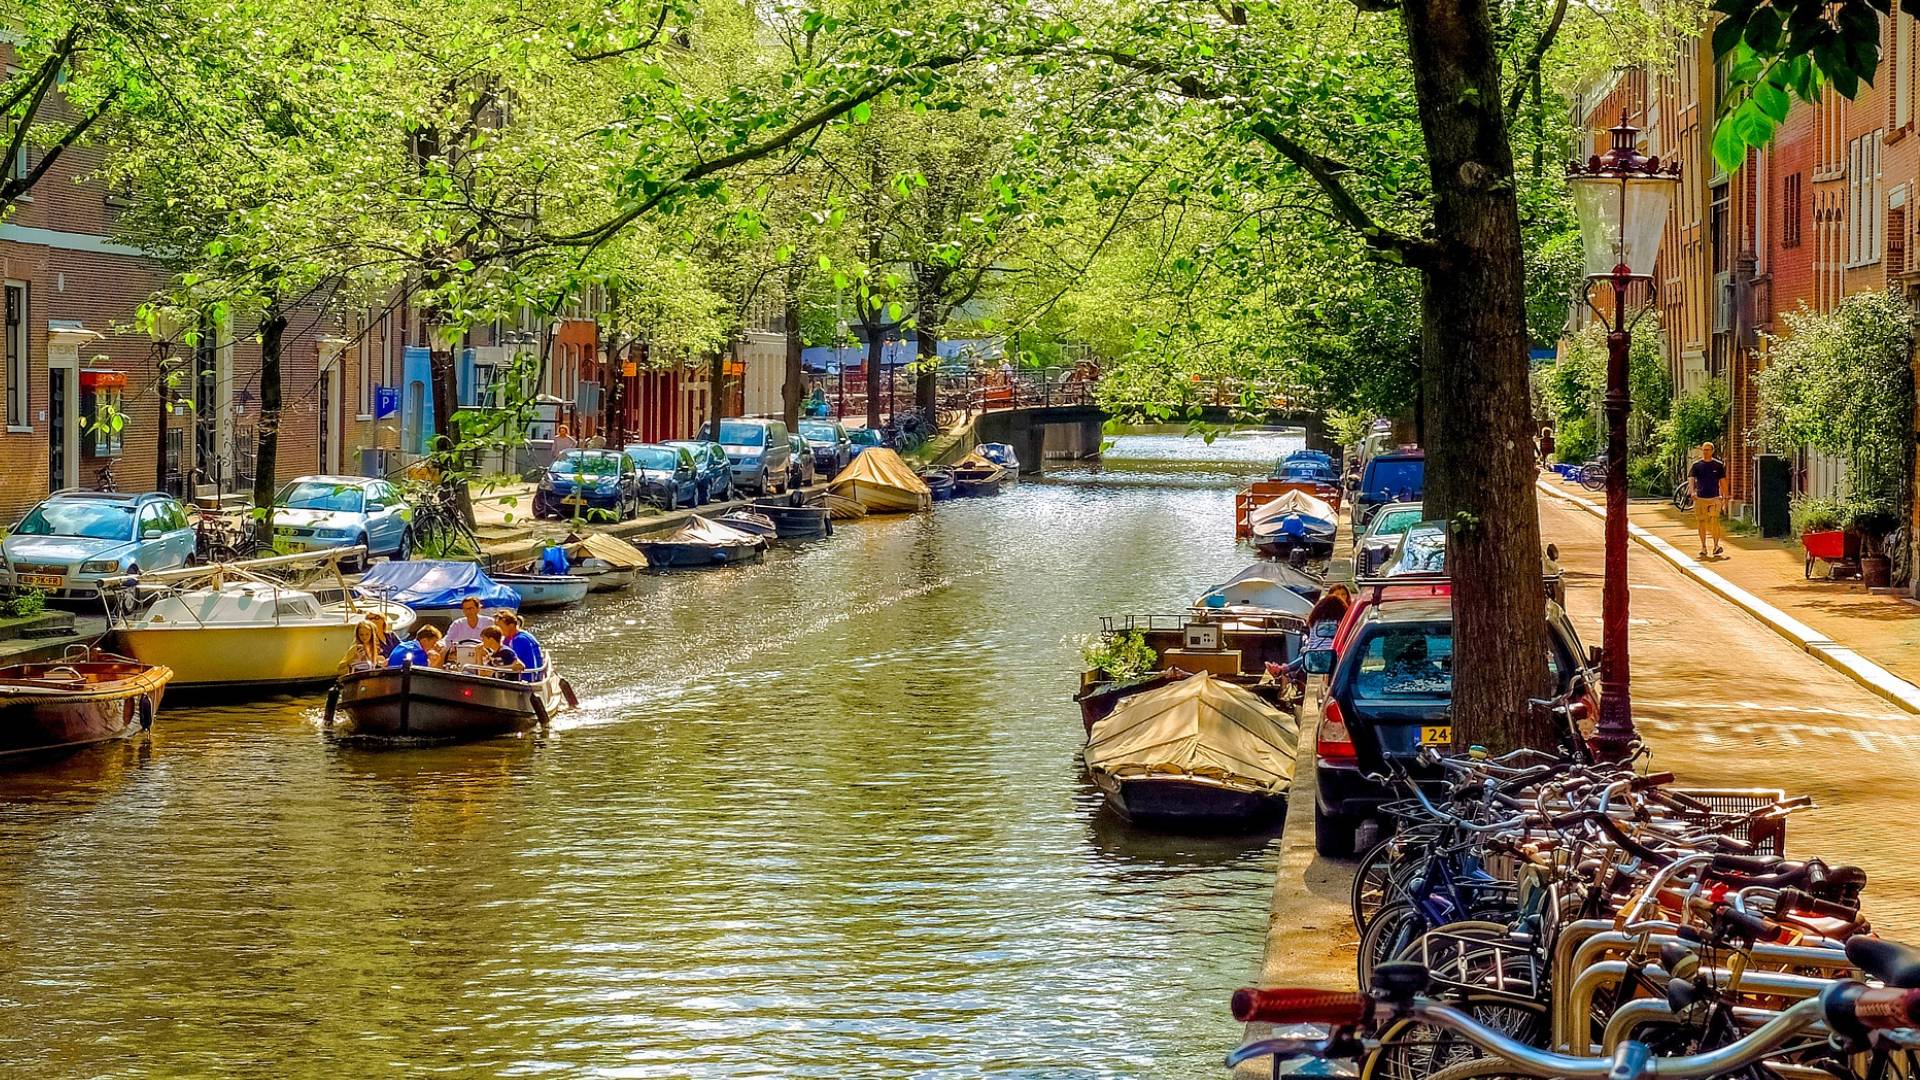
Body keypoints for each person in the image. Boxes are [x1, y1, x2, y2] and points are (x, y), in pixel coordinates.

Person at [1689, 441, 1729, 559]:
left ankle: (1716, 546)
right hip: (1700, 497)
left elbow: (1722, 481)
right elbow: (1691, 478)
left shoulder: (1718, 465)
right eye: (1704, 450)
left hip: (1714, 497)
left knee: (1714, 519)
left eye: (1708, 450)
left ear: (1712, 451)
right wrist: (1692, 492)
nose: (1705, 452)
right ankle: (1703, 546)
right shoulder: (1697, 465)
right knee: (1701, 521)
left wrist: (1725, 497)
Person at [494, 610, 544, 681]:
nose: (498, 630)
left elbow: (515, 663)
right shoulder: (507, 638)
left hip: (525, 679)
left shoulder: (521, 640)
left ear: (511, 626)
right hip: (515, 676)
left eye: (500, 627)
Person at [442, 596, 486, 661]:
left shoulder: (489, 622)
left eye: (471, 608)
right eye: (465, 609)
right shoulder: (457, 624)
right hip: (461, 660)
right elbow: (448, 640)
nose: (468, 611)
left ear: (478, 608)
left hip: (484, 660)